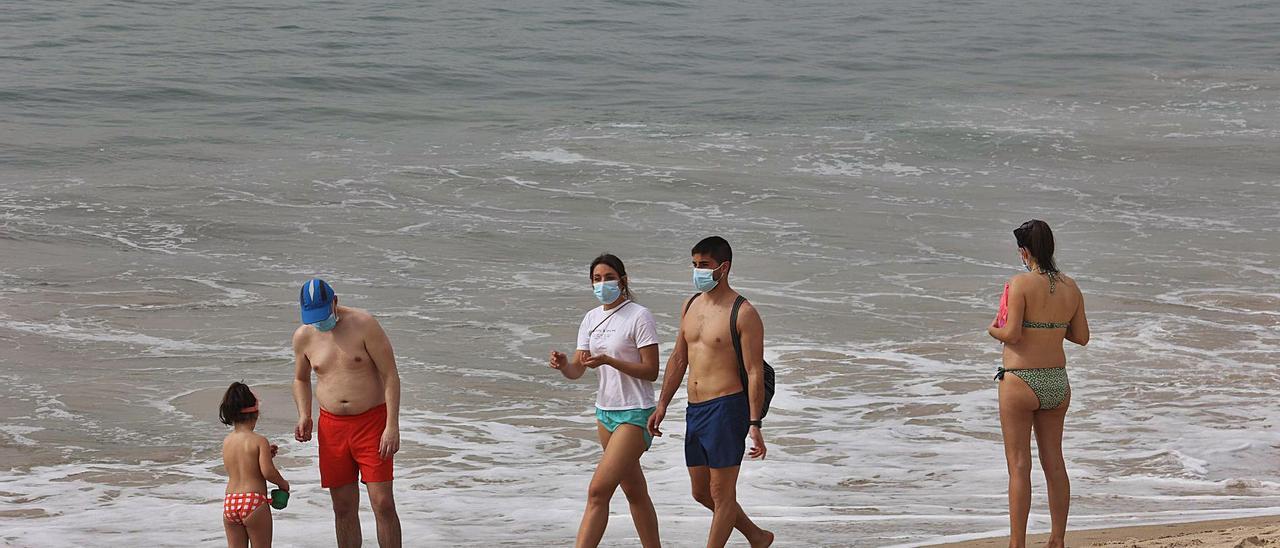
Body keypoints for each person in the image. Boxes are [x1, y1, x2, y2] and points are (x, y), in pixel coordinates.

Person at [648, 236, 774, 548]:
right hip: (696, 409)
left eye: (704, 265)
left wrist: (755, 424)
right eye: (694, 265)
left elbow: (754, 370)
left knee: (722, 493)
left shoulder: (743, 313)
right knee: (701, 492)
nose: (697, 271)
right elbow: (679, 358)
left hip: (727, 408)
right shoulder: (690, 305)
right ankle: (757, 537)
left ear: (724, 267)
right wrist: (662, 403)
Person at [986, 220, 1090, 548]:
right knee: (1054, 461)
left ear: (1025, 251)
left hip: (1021, 380)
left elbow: (1012, 333)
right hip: (1057, 382)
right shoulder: (1071, 287)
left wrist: (992, 328)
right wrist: (1052, 327)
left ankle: (1017, 544)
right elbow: (1082, 337)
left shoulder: (1020, 284)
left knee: (1019, 465)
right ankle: (1057, 539)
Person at [549, 254, 662, 548]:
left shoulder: (639, 316)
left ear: (622, 280)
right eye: (597, 279)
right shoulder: (591, 318)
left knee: (598, 491)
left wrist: (611, 360)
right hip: (605, 413)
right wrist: (564, 365)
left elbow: (651, 371)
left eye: (609, 277)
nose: (603, 284)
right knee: (634, 491)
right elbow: (578, 369)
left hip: (635, 413)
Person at [292, 278, 403, 548]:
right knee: (342, 507)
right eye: (313, 317)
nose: (319, 322)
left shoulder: (364, 324)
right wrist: (304, 414)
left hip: (371, 423)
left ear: (335, 301)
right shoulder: (304, 335)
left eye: (323, 314)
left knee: (383, 503)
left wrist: (392, 425)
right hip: (332, 428)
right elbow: (301, 379)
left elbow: (390, 375)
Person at [220, 382, 289, 548]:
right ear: (256, 413)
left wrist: (263, 455)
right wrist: (283, 484)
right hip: (253, 502)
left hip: (230, 502)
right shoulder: (259, 441)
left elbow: (242, 465)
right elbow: (267, 472)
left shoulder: (227, 441)